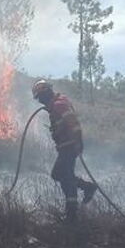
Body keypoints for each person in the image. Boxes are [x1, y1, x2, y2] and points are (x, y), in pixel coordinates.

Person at [31, 79, 98, 222]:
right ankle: (86, 188)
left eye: (40, 98)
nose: (40, 102)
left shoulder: (58, 105)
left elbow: (73, 123)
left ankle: (72, 214)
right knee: (60, 175)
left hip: (69, 146)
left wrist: (77, 142)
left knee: (64, 175)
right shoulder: (57, 104)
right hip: (65, 146)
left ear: (46, 94)